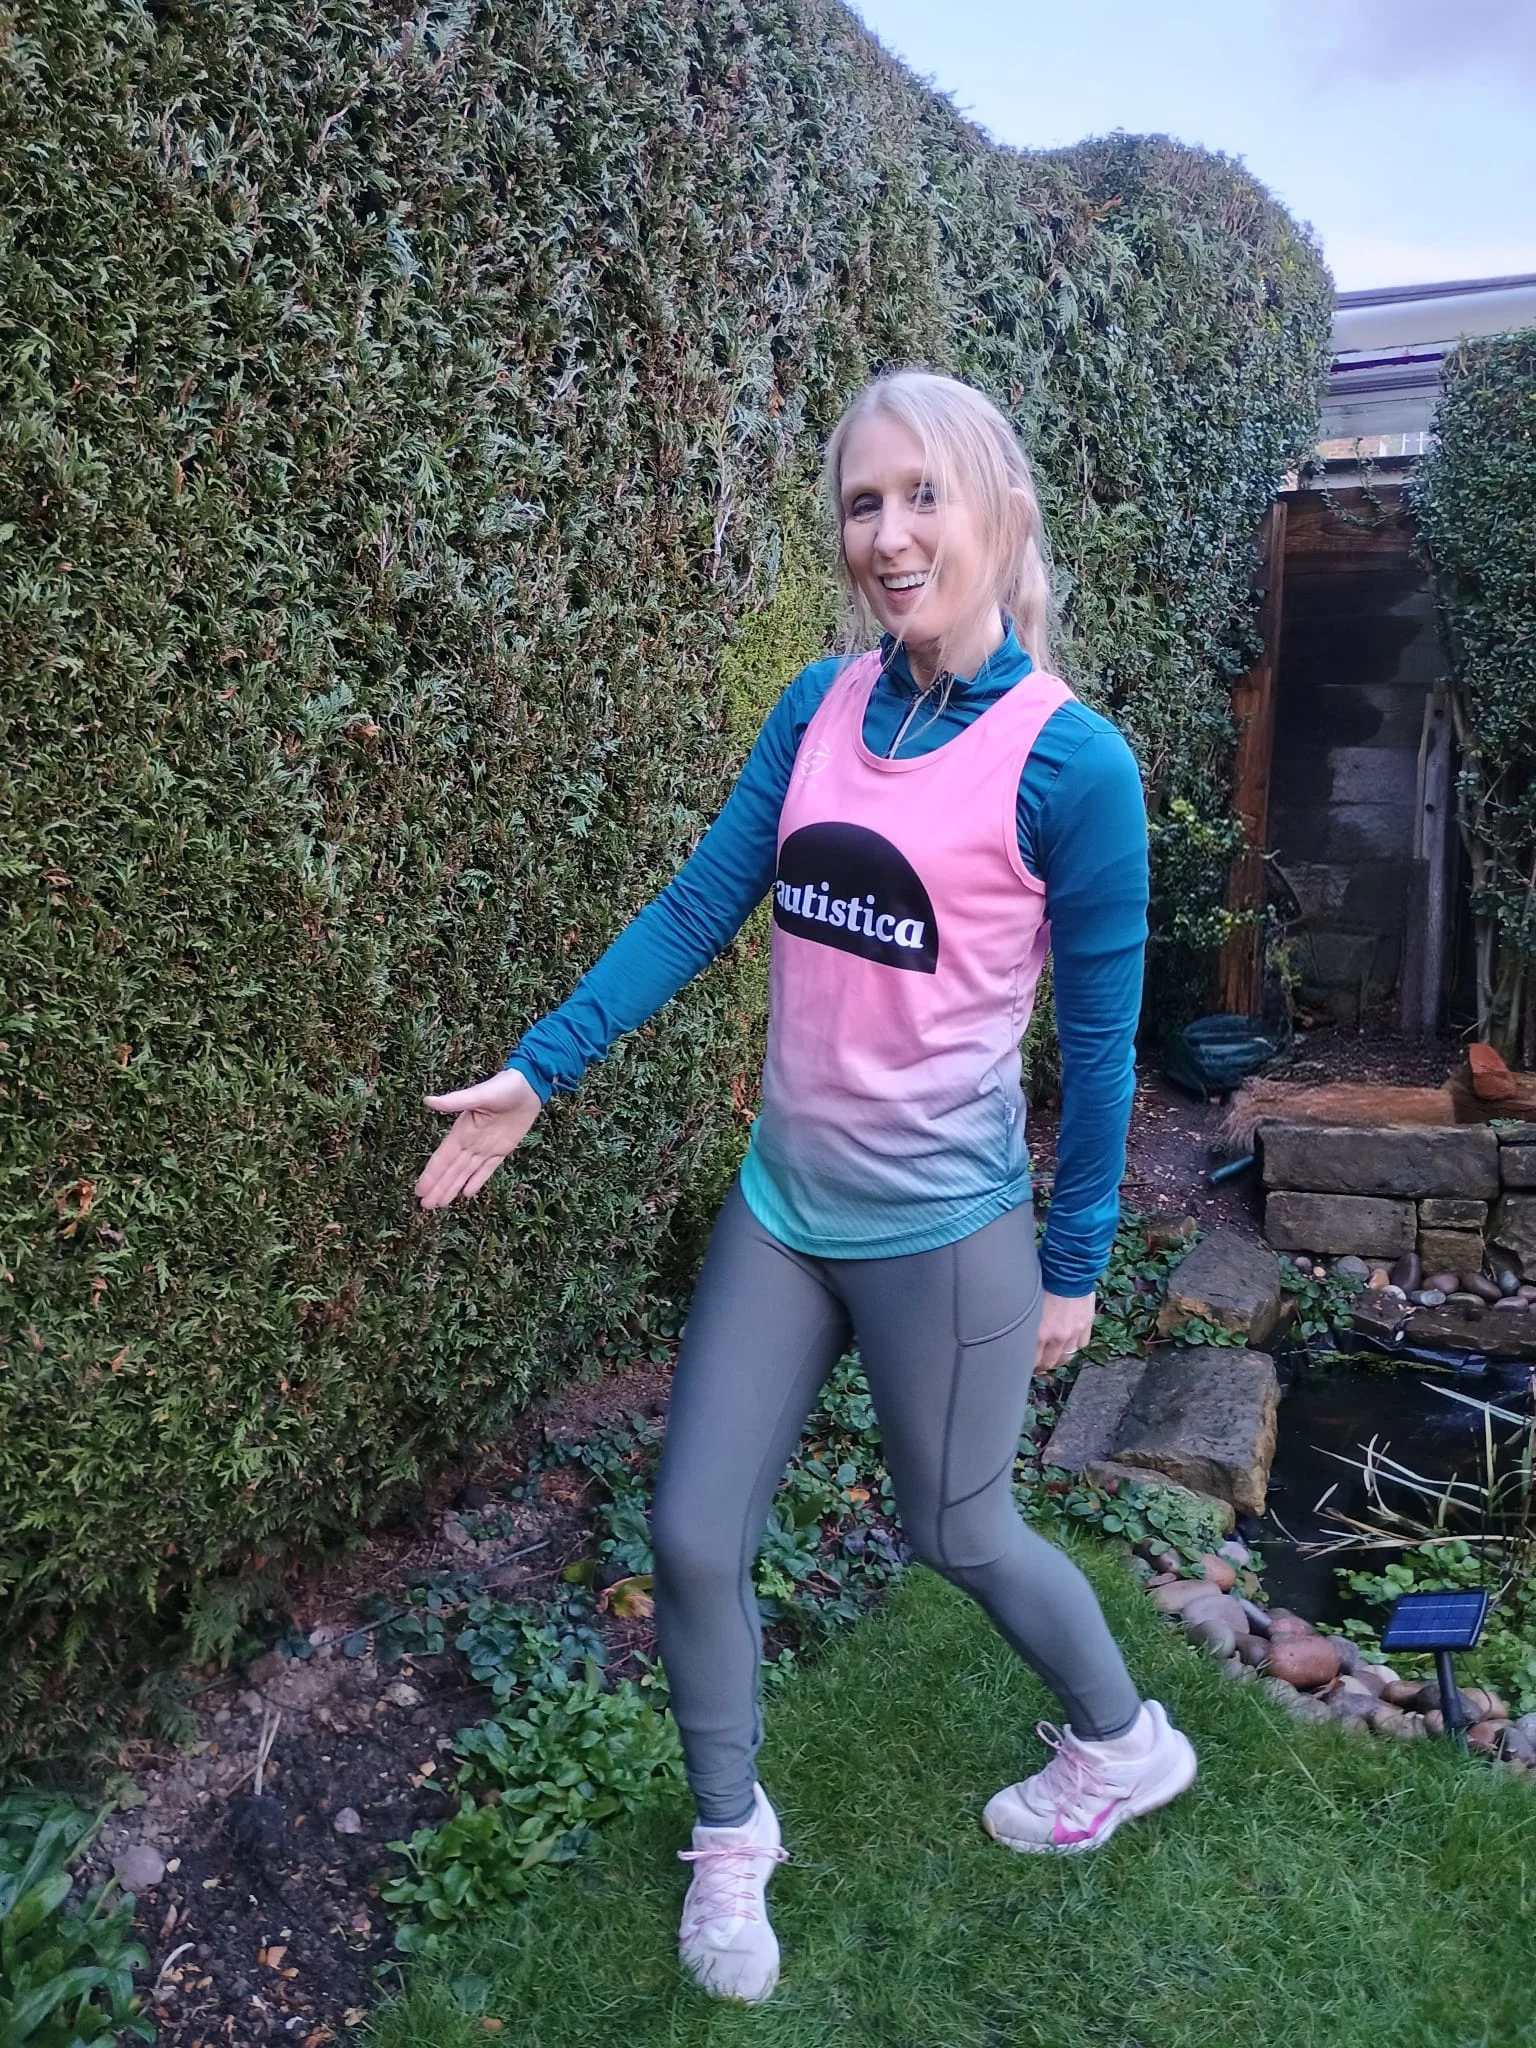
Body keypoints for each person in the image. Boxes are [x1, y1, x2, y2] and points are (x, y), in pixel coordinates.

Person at [415, 369, 1197, 2005]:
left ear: (999, 510)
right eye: (862, 502)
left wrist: (1076, 1267)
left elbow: (1110, 1047)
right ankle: (730, 1836)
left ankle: (1127, 1744)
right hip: (784, 1210)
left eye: (924, 497)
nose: (890, 535)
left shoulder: (1076, 768)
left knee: (957, 1528)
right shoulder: (820, 709)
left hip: (949, 1236)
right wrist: (539, 1070)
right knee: (695, 1532)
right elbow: (705, 905)